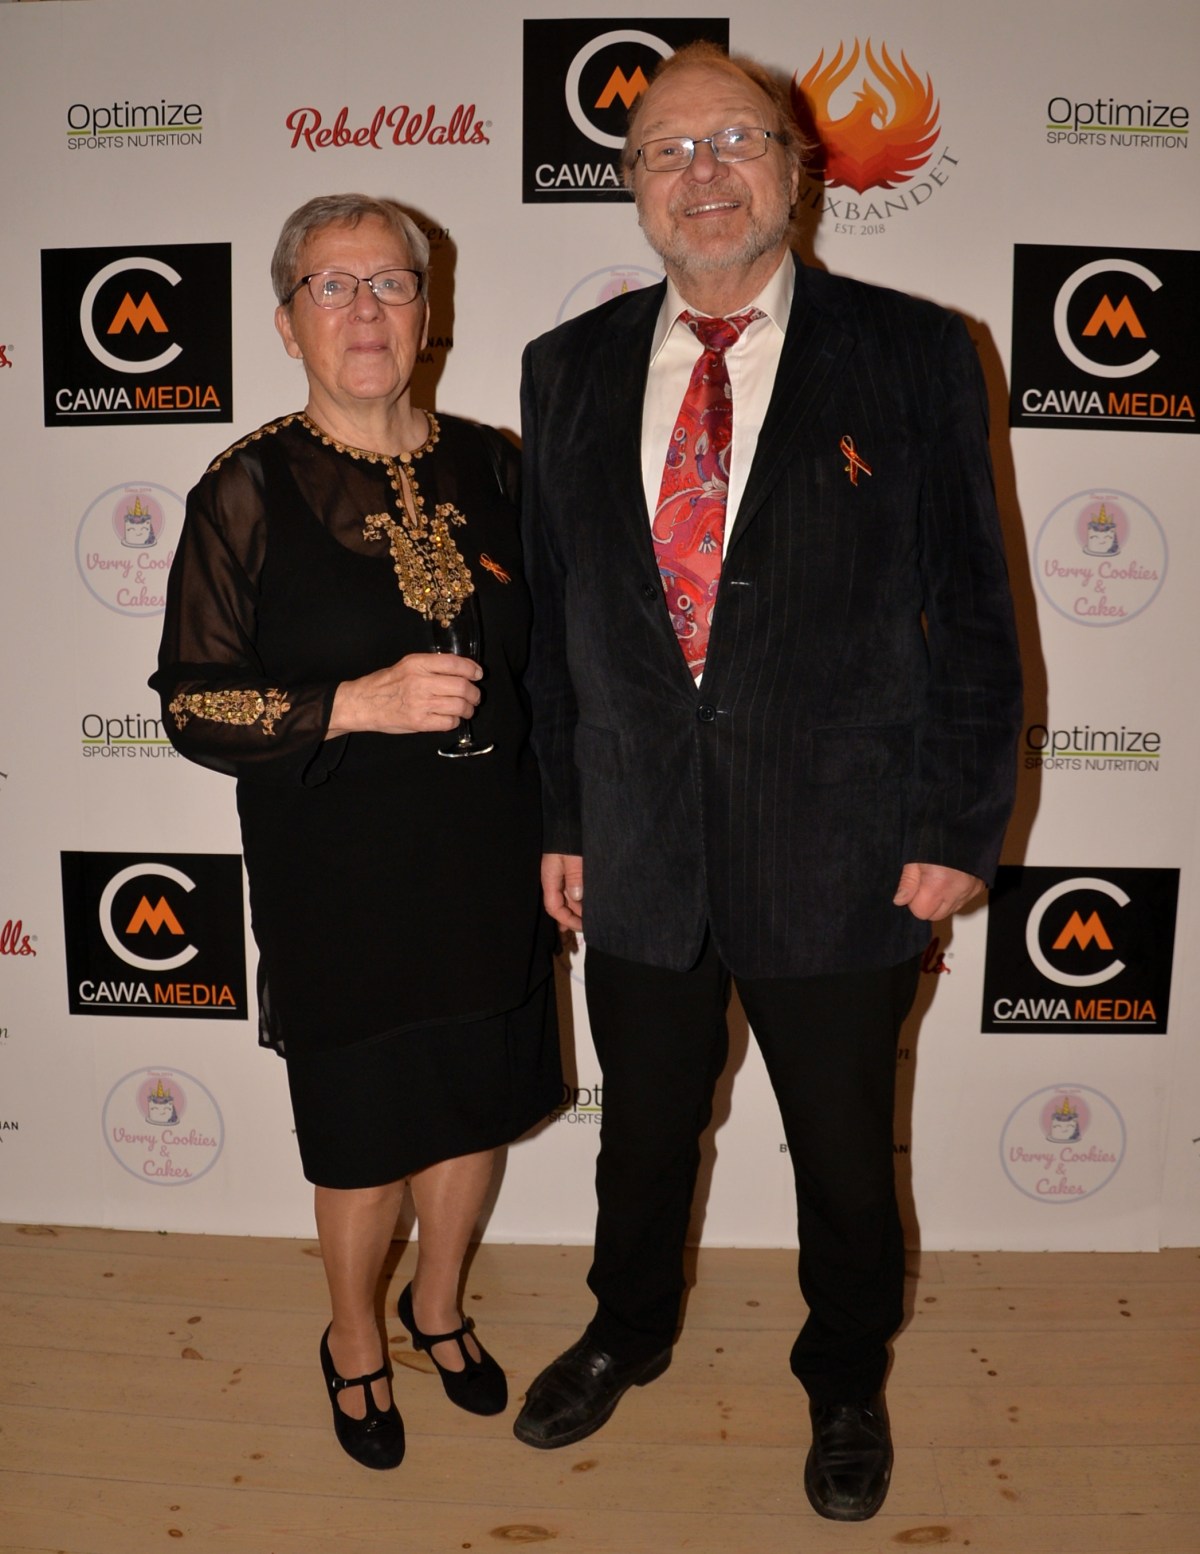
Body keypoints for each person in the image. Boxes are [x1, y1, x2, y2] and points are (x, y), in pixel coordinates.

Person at [513, 43, 1022, 1522]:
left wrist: (953, 822)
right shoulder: (566, 368)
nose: (704, 173)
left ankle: (845, 1372)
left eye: (735, 140)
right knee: (642, 1134)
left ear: (797, 168)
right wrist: (563, 816)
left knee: (847, 1155)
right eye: (667, 151)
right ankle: (627, 1329)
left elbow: (973, 614)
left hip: (845, 848)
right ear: (632, 186)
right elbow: (555, 621)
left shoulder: (918, 350)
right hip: (638, 845)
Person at [151, 194, 561, 1471]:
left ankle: (437, 1309)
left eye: (390, 283)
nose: (365, 310)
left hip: (488, 859)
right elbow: (193, 702)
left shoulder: (499, 467)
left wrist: (569, 827)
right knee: (364, 1130)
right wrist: (352, 704)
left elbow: (553, 672)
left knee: (474, 1104)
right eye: (332, 287)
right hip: (336, 875)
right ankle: (353, 1339)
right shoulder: (244, 490)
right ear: (287, 323)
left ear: (428, 313)